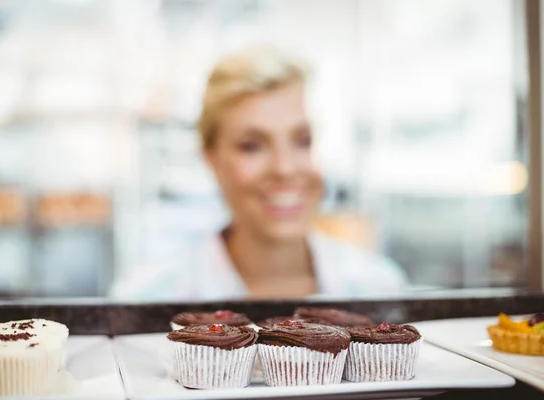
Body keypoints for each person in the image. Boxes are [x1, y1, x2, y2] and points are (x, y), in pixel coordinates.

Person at [111, 45, 407, 301]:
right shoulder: (148, 298)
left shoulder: (379, 288)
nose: (285, 168)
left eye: (302, 141)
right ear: (211, 160)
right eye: (252, 146)